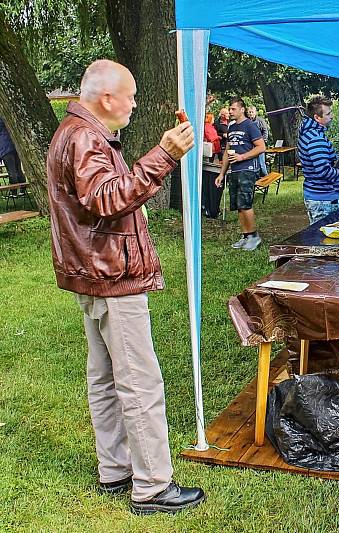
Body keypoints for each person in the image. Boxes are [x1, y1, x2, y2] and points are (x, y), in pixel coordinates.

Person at [46, 59, 205, 515]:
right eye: (131, 96)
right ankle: (153, 485)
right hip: (112, 278)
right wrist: (165, 154)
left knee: (105, 378)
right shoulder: (85, 138)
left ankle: (115, 469)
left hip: (94, 273)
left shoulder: (73, 133)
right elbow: (107, 199)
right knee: (138, 382)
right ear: (107, 98)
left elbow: (95, 200)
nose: (135, 104)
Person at [215, 97, 266, 251]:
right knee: (238, 205)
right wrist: (221, 174)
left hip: (247, 168)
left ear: (242, 109)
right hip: (235, 170)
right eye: (229, 109)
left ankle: (254, 236)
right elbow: (226, 152)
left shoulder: (250, 126)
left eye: (233, 109)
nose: (230, 112)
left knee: (245, 203)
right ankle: (245, 236)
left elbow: (261, 147)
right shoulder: (231, 127)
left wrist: (242, 157)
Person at [297, 95, 339, 224]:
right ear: (317, 117)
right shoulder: (315, 138)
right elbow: (324, 171)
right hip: (323, 198)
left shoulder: (311, 133)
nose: (331, 116)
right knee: (323, 240)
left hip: (318, 195)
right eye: (328, 113)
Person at [0, 116, 26, 196]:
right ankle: (22, 190)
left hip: (5, 148)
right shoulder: (9, 118)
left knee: (11, 172)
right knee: (18, 170)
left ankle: (13, 193)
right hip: (15, 146)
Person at [247, 105, 270, 177]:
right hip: (251, 146)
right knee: (253, 163)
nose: (250, 113)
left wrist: (263, 141)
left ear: (255, 112)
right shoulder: (247, 122)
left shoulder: (260, 121)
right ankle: (256, 178)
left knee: (261, 163)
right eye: (249, 112)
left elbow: (265, 131)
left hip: (260, 145)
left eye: (252, 112)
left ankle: (266, 177)